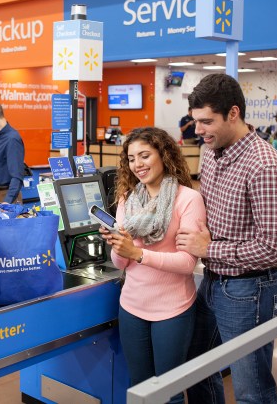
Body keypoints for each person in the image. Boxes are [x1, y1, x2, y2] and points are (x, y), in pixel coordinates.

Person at [176, 74, 277, 404]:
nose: (198, 130)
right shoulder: (211, 152)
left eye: (206, 121)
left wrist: (209, 248)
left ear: (233, 113)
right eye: (195, 121)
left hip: (252, 289)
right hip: (213, 280)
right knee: (196, 367)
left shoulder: (265, 165)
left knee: (251, 390)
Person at [99, 127, 206, 404]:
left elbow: (187, 263)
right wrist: (118, 245)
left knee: (169, 394)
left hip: (173, 310)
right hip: (132, 306)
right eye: (132, 159)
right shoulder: (128, 199)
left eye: (145, 155)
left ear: (163, 154)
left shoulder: (188, 199)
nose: (138, 164)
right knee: (140, 388)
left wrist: (138, 253)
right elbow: (121, 263)